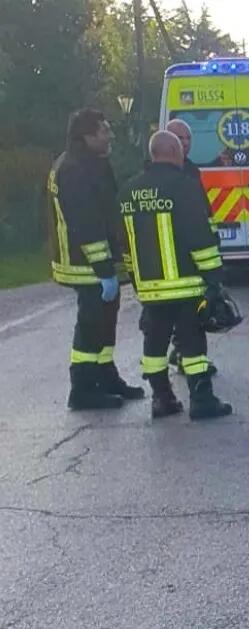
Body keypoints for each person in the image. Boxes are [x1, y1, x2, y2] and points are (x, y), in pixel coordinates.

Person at [119, 131, 233, 420]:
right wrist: (214, 277)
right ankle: (202, 399)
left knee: (154, 343)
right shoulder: (185, 186)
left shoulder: (129, 191)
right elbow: (200, 235)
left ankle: (161, 398)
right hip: (185, 285)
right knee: (192, 343)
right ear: (173, 151)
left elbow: (122, 242)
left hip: (149, 288)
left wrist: (135, 280)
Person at [46, 108, 144, 410]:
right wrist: (103, 268)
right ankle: (83, 389)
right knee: (90, 324)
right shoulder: (76, 169)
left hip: (92, 262)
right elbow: (86, 223)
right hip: (84, 264)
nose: (110, 135)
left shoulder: (89, 163)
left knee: (104, 320)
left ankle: (105, 376)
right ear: (88, 136)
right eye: (104, 130)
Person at [162, 118, 219, 378]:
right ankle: (187, 357)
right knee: (183, 311)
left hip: (192, 249)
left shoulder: (192, 170)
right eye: (179, 139)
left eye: (188, 139)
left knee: (191, 308)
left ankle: (181, 351)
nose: (185, 144)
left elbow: (202, 209)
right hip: (170, 251)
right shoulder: (161, 173)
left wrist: (212, 240)